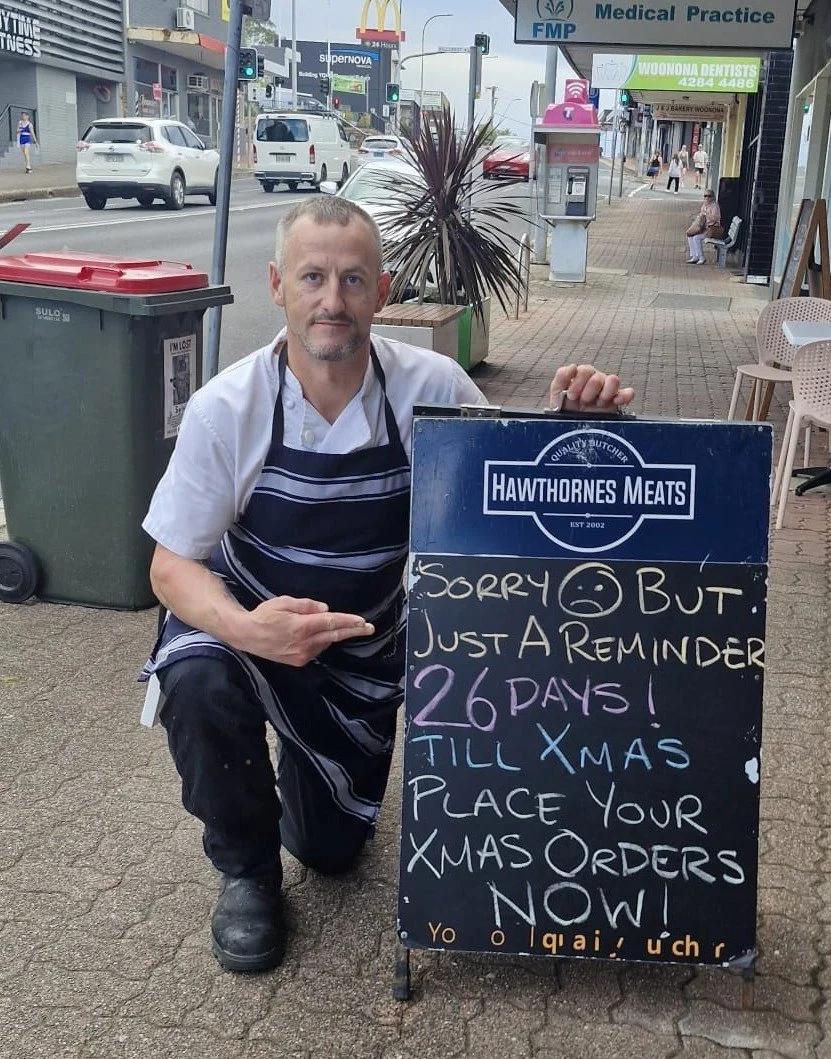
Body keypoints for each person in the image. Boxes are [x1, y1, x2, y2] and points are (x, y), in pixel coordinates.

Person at [139, 197, 635, 974]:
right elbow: (170, 567)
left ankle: (306, 806)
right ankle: (246, 870)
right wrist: (249, 629)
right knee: (197, 681)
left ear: (384, 290)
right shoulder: (226, 408)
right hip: (246, 624)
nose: (330, 301)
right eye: (311, 277)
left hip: (361, 656)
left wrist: (574, 426)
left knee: (333, 856)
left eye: (351, 279)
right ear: (277, 285)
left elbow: (513, 497)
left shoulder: (431, 389)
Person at [685, 190, 724, 265]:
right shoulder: (704, 205)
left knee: (696, 238)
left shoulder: (715, 206)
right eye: (705, 196)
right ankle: (695, 256)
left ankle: (701, 257)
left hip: (712, 229)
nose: (707, 198)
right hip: (704, 228)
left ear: (713, 197)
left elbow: (715, 218)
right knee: (690, 235)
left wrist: (706, 214)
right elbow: (701, 216)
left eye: (709, 196)